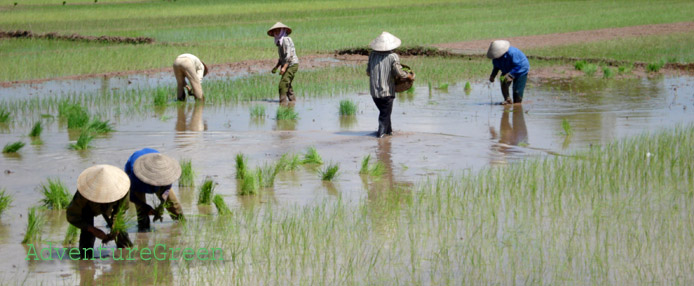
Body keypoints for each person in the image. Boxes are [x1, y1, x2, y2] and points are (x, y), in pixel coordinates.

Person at [66, 164, 133, 259]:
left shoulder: (122, 188)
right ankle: (86, 258)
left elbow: (121, 210)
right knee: (87, 234)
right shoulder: (83, 195)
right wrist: (92, 229)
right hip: (89, 208)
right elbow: (71, 215)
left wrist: (115, 224)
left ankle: (125, 252)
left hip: (113, 206)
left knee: (120, 229)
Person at [366, 32, 415, 138]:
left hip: (374, 93)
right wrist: (408, 75)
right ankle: (381, 137)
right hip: (387, 92)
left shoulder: (372, 55)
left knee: (385, 113)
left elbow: (368, 72)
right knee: (384, 115)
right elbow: (399, 73)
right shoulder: (393, 57)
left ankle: (389, 133)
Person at [124, 148, 184, 231]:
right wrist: (145, 206)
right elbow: (131, 196)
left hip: (156, 161)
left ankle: (182, 226)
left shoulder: (166, 172)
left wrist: (162, 205)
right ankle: (143, 230)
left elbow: (167, 189)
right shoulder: (136, 176)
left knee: (173, 205)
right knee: (141, 211)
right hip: (139, 175)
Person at [487, 40, 530, 105]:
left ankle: (517, 104)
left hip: (520, 70)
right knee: (503, 80)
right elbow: (496, 67)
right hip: (506, 69)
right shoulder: (495, 58)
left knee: (517, 91)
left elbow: (518, 65)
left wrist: (510, 74)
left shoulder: (512, 53)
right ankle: (507, 99)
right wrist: (493, 76)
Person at [267, 22, 300, 105]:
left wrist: (284, 67)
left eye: (278, 30)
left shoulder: (286, 40)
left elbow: (289, 56)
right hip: (287, 64)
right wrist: (276, 67)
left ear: (282, 30)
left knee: (283, 84)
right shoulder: (279, 42)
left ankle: (282, 104)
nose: (276, 32)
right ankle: (292, 102)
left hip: (292, 64)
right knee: (287, 84)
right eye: (275, 31)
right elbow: (282, 58)